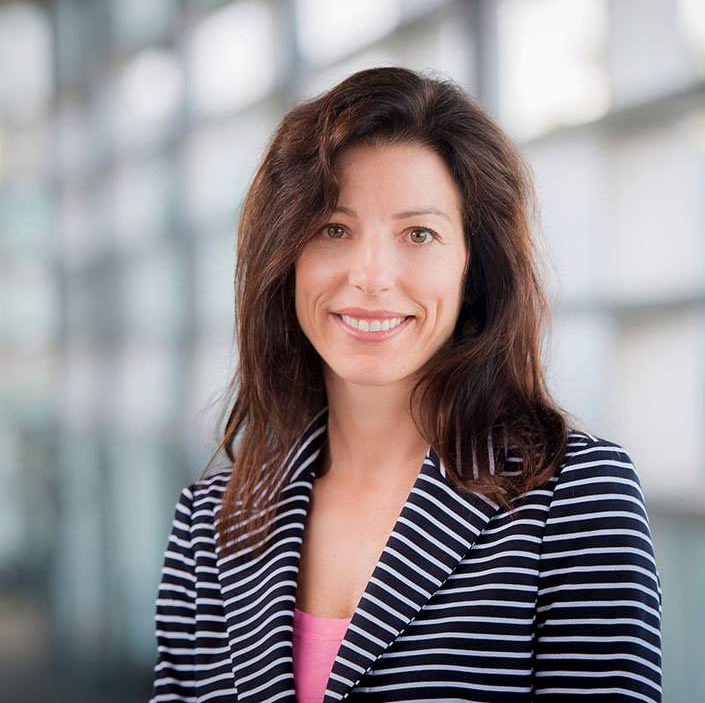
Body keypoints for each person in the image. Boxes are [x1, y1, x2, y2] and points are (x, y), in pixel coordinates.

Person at [149, 67, 662, 703]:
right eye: (333, 228)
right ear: (285, 255)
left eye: (419, 234)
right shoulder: (209, 522)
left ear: (474, 267)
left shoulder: (575, 498)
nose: (371, 275)